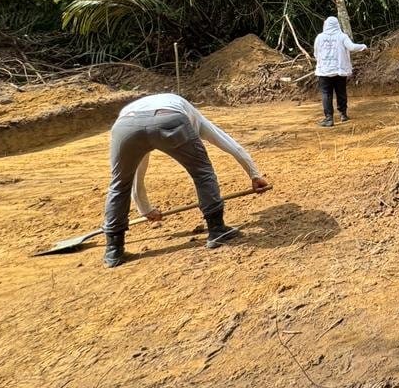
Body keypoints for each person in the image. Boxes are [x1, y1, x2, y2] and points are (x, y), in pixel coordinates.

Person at [101, 93, 272, 268]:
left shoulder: (138, 107)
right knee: (202, 173)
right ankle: (217, 230)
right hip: (169, 119)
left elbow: (137, 169)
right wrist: (254, 175)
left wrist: (144, 208)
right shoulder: (192, 113)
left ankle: (114, 250)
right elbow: (226, 142)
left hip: (125, 126)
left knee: (119, 184)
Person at [314, 15, 368, 125]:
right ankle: (343, 115)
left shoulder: (319, 37)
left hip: (324, 71)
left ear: (326, 25)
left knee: (326, 94)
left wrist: (322, 62)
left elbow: (316, 53)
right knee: (341, 92)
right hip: (340, 70)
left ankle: (329, 118)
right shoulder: (342, 36)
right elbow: (352, 47)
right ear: (337, 25)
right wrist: (363, 46)